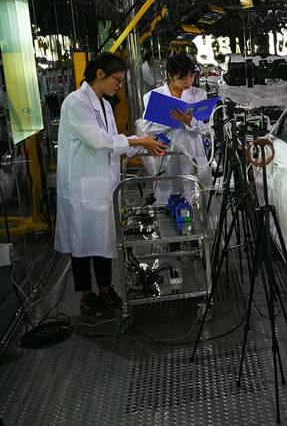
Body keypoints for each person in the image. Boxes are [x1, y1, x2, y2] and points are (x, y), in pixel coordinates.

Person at [54, 53, 166, 317]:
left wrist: (142, 147)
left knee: (104, 240)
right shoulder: (76, 102)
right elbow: (100, 141)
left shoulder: (104, 104)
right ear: (100, 74)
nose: (120, 85)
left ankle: (105, 289)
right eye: (118, 80)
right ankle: (86, 295)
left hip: (103, 186)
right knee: (82, 243)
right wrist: (140, 141)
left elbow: (114, 141)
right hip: (81, 187)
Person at [139, 52, 212, 204]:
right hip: (167, 150)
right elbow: (147, 128)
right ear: (170, 75)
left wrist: (189, 121)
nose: (188, 82)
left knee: (194, 195)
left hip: (192, 149)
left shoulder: (199, 95)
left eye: (191, 76)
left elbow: (205, 128)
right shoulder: (153, 96)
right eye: (182, 78)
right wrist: (173, 119)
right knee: (167, 194)